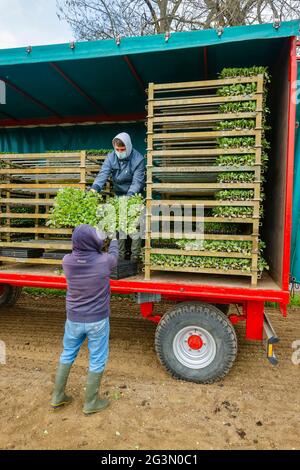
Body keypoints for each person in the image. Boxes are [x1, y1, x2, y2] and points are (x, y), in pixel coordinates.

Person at [51, 224, 118, 415]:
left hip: (73, 319)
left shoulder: (67, 261)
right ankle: (91, 402)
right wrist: (114, 238)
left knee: (67, 354)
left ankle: (57, 397)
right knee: (97, 359)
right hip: (97, 320)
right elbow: (114, 255)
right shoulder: (104, 261)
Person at [91, 132, 145, 262]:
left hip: (134, 196)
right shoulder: (111, 157)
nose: (120, 152)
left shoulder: (138, 160)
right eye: (117, 149)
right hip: (119, 195)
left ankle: (134, 259)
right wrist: (94, 189)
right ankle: (120, 258)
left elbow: (137, 182)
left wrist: (129, 198)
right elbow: (103, 174)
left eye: (122, 149)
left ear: (129, 146)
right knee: (120, 226)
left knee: (135, 226)